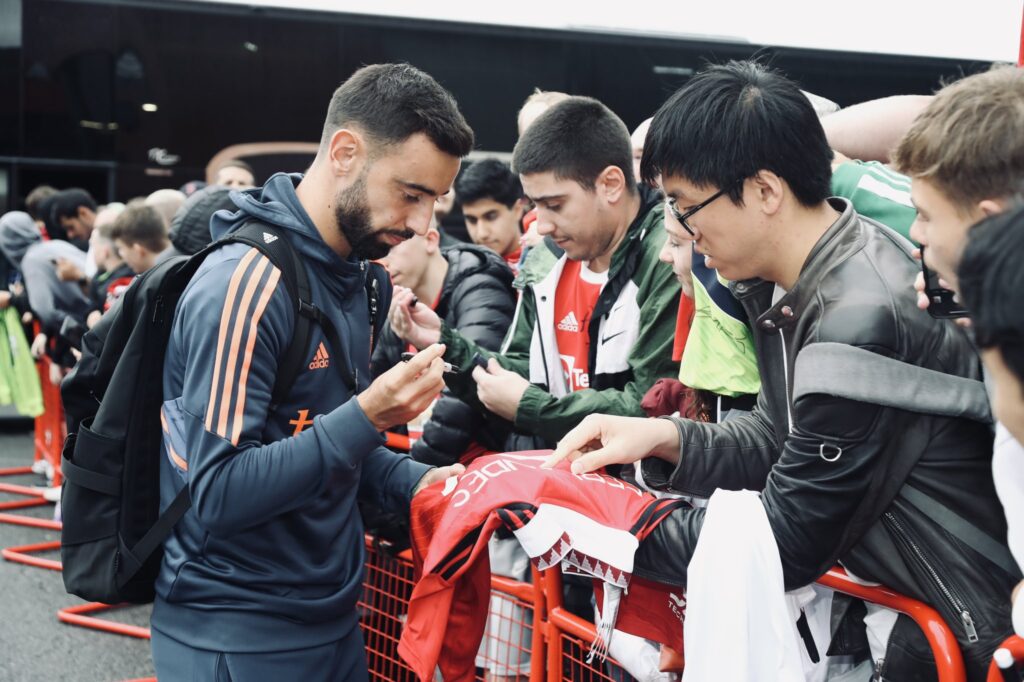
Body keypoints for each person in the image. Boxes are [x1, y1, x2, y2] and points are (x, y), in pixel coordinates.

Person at [545, 61, 1016, 680]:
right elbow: (778, 436)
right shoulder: (809, 279)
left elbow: (784, 539)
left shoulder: (860, 316)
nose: (682, 232)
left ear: (766, 190)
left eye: (686, 206)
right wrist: (664, 438)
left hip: (953, 637)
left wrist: (592, 522)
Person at [151, 63, 473, 681]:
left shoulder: (360, 275)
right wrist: (368, 415)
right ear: (345, 152)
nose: (423, 225)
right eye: (411, 193)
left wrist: (421, 483)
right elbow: (215, 493)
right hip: (236, 635)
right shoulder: (245, 282)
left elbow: (317, 442)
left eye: (435, 200)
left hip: (329, 621)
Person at [391, 96, 681, 448]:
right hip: (556, 480)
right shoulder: (545, 259)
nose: (541, 226)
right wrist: (445, 343)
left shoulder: (669, 257)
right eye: (535, 205)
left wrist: (534, 409)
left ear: (611, 184)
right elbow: (520, 370)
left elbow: (654, 407)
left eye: (555, 205)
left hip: (639, 493)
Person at [373, 226, 516, 466]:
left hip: (486, 463)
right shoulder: (396, 300)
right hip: (430, 463)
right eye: (376, 251)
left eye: (391, 248)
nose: (382, 261)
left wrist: (415, 474)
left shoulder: (480, 288)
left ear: (431, 240)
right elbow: (375, 390)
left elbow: (462, 403)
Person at [454, 159, 528, 273]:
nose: (482, 233)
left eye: (491, 217)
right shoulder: (461, 269)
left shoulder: (547, 263)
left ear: (517, 210)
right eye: (472, 220)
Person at [110, 204, 171, 274]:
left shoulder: (155, 282)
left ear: (139, 250)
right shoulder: (181, 266)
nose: (121, 254)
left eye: (121, 248)